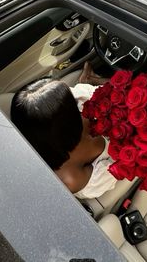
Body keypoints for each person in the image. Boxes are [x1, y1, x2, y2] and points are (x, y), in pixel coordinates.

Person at [11, 62, 116, 199]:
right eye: (72, 102)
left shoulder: (50, 119)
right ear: (67, 118)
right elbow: (118, 170)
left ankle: (91, 79)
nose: (75, 100)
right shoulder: (71, 178)